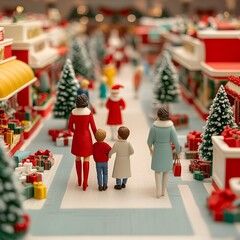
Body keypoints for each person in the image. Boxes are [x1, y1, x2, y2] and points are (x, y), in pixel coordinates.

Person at [147, 108, 181, 198]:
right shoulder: (171, 127)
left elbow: (149, 141)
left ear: (158, 116)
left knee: (157, 171)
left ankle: (157, 190)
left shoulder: (154, 127)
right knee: (166, 171)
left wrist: (151, 149)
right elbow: (176, 142)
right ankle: (163, 191)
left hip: (157, 149)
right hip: (167, 149)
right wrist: (178, 152)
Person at [68, 94, 97, 191]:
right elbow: (93, 128)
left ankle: (79, 180)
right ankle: (85, 181)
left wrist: (75, 132)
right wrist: (98, 137)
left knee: (77, 157)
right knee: (86, 158)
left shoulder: (73, 112)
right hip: (86, 137)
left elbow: (70, 127)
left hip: (77, 137)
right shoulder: (88, 112)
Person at [109, 126, 134, 190]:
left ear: (119, 136)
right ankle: (124, 183)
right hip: (126, 160)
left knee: (118, 172)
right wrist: (127, 154)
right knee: (125, 172)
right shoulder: (128, 144)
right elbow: (132, 151)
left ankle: (118, 184)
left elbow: (112, 151)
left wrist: (109, 155)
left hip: (119, 160)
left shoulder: (116, 144)